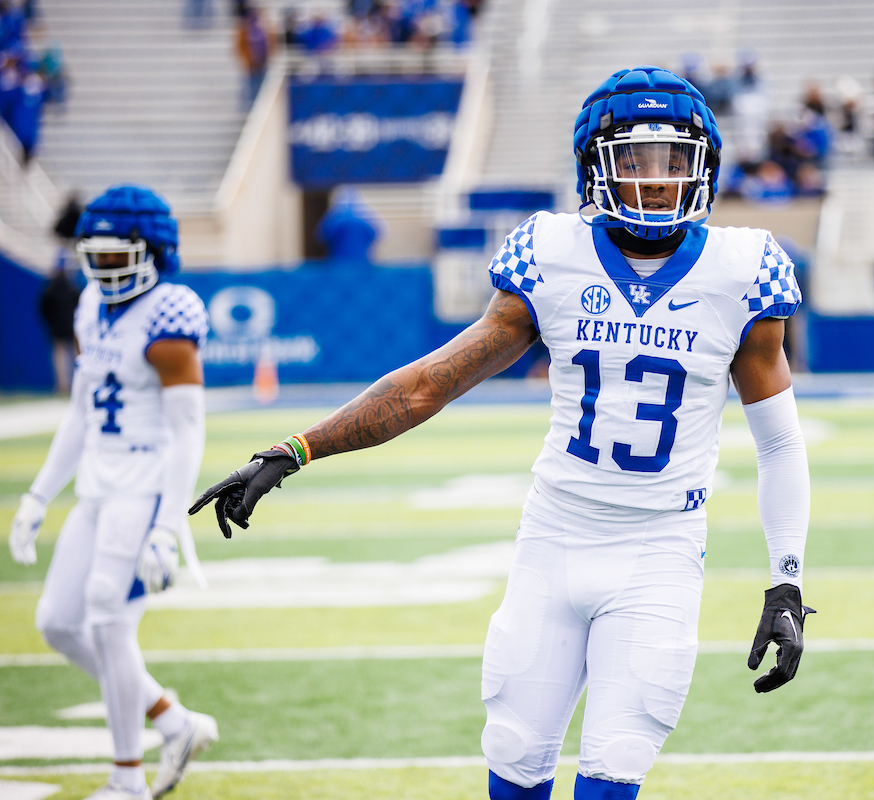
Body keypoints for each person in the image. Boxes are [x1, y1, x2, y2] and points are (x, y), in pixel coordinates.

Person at [190, 65, 815, 800]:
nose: (655, 179)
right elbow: (427, 385)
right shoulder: (551, 252)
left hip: (660, 548)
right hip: (555, 535)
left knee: (615, 767)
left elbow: (779, 443)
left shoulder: (743, 270)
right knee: (515, 756)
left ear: (703, 165)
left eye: (673, 159)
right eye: (635, 160)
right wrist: (295, 450)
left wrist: (787, 582)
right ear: (595, 166)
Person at [8, 185, 218, 800]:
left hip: (146, 485)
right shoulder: (87, 307)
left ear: (153, 252)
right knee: (57, 623)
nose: (102, 270)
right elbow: (80, 413)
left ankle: (127, 780)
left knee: (107, 620)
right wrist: (39, 495)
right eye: (94, 257)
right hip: (99, 485)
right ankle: (173, 723)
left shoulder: (168, 314)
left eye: (115, 257)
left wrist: (165, 527)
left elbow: (188, 431)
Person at [39, 256, 80, 394]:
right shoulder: (72, 288)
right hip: (72, 327)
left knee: (61, 358)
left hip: (57, 328)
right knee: (75, 357)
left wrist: (52, 323)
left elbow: (44, 308)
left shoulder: (49, 289)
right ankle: (76, 385)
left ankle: (63, 386)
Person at [235, 6, 272, 109]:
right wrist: (247, 60)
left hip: (262, 63)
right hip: (251, 65)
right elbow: (240, 47)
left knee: (261, 87)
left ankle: (258, 107)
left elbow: (270, 44)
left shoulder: (263, 28)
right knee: (250, 87)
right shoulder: (244, 29)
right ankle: (247, 108)